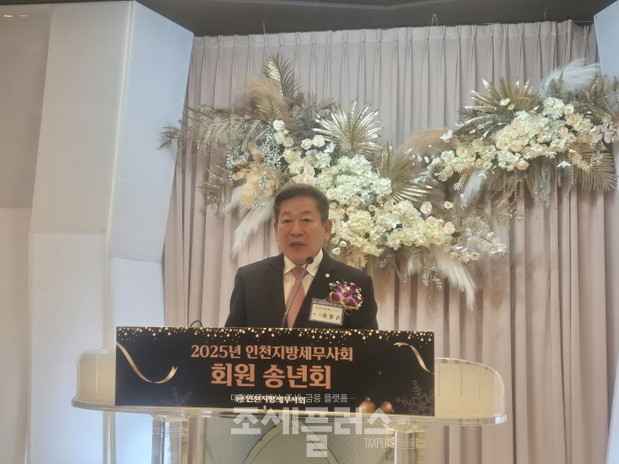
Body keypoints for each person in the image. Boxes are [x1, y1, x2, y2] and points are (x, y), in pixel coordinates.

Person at [226, 183, 378, 329]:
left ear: (326, 228)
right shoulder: (250, 279)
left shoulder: (355, 283)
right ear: (276, 229)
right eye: (287, 221)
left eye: (306, 220)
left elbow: (367, 345)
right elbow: (231, 342)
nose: (296, 231)